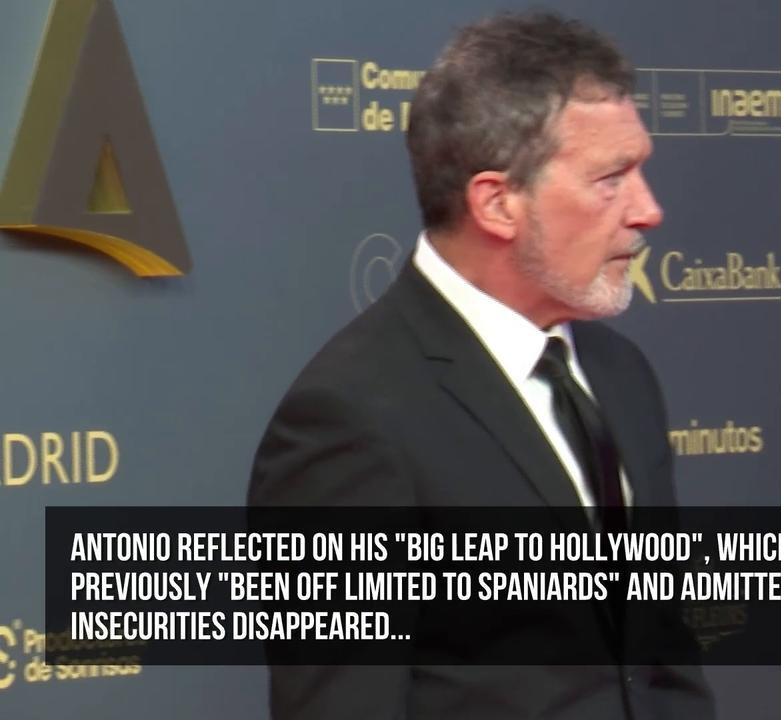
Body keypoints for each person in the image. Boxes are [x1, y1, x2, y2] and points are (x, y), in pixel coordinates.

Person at [249, 11, 714, 720]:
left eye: (640, 170)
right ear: (497, 204)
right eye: (611, 178)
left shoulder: (621, 373)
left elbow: (662, 657)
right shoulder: (351, 417)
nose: (648, 210)